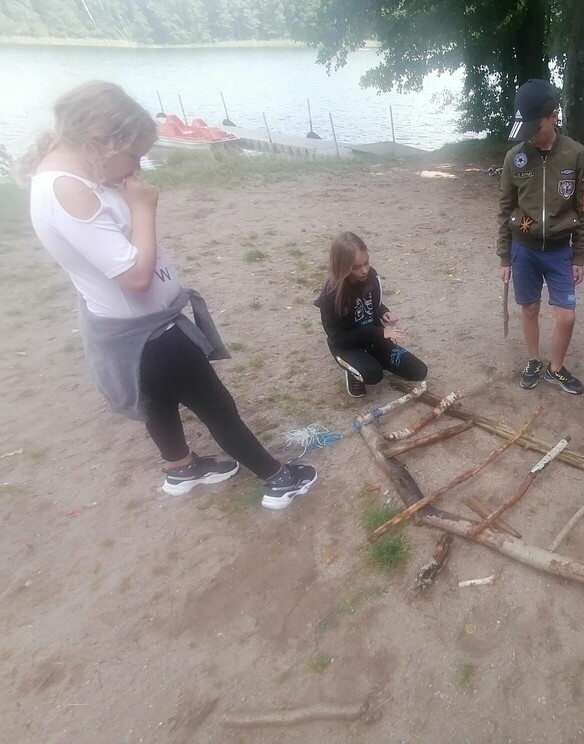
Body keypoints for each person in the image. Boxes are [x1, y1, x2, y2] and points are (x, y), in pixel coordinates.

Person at [21, 81, 316, 509]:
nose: (137, 167)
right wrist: (143, 207)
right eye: (134, 155)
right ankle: (277, 479)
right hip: (150, 333)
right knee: (216, 406)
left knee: (157, 400)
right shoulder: (70, 191)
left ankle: (182, 468)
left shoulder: (77, 177)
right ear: (100, 141)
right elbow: (136, 277)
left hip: (127, 329)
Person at [498, 79, 584, 395]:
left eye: (535, 129)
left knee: (566, 316)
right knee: (529, 309)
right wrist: (504, 256)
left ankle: (556, 368)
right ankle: (534, 360)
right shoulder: (515, 158)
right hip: (523, 250)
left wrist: (579, 254)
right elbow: (505, 208)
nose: (530, 137)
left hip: (559, 251)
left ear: (553, 116)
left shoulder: (575, 154)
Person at [315, 231, 427, 397]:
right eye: (356, 267)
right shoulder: (331, 296)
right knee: (373, 374)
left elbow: (372, 303)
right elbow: (338, 338)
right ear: (342, 267)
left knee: (418, 371)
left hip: (374, 339)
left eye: (366, 263)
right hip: (348, 346)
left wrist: (382, 311)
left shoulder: (371, 277)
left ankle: (374, 358)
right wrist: (379, 332)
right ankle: (354, 371)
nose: (364, 270)